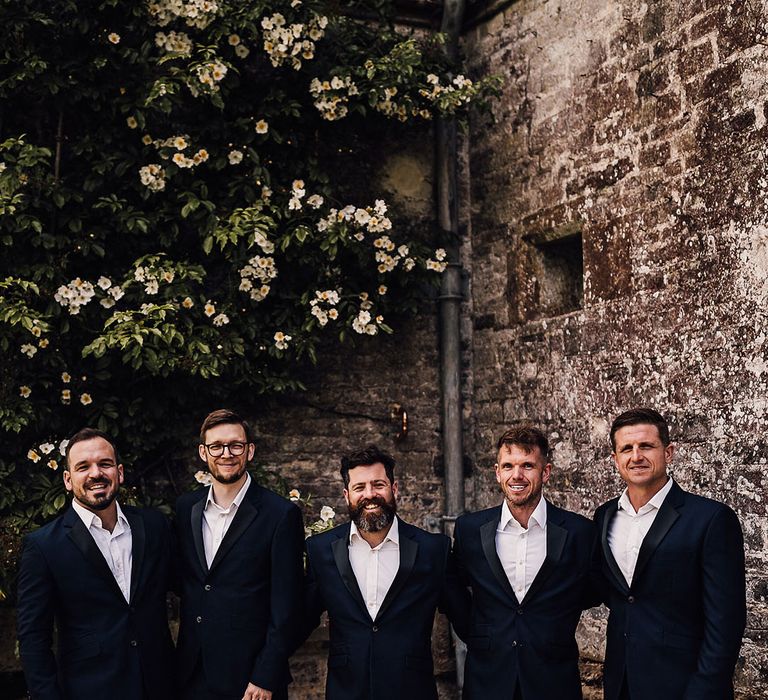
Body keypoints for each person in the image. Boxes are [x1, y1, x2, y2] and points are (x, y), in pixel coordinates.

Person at [594, 408, 746, 700]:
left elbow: (726, 621)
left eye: (646, 446)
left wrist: (704, 690)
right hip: (621, 683)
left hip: (685, 685)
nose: (636, 456)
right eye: (626, 448)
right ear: (615, 459)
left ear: (669, 452)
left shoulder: (711, 519)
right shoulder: (604, 517)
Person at [17, 427, 176, 700]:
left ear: (120, 472)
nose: (96, 474)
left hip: (162, 685)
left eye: (105, 464)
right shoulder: (43, 546)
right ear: (68, 480)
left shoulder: (154, 526)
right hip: (90, 689)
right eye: (83, 467)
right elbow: (34, 637)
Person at [302, 444, 469, 700]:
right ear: (347, 495)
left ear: (394, 489)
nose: (370, 494)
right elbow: (298, 621)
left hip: (412, 692)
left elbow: (469, 624)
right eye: (360, 487)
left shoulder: (433, 550)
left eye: (378, 485)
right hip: (346, 692)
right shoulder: (320, 550)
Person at [452, 426, 598, 700]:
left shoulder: (580, 532)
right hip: (488, 678)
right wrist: (477, 633)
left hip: (553, 679)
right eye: (508, 466)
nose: (516, 475)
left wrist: (554, 628)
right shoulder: (469, 529)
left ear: (545, 472)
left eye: (527, 465)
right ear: (497, 472)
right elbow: (453, 588)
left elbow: (591, 590)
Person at [175, 409, 304, 700]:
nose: (226, 453)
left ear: (250, 451)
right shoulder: (186, 509)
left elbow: (288, 606)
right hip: (192, 674)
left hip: (251, 680)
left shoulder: (280, 515)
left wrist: (265, 676)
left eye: (236, 445)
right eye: (216, 446)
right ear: (203, 452)